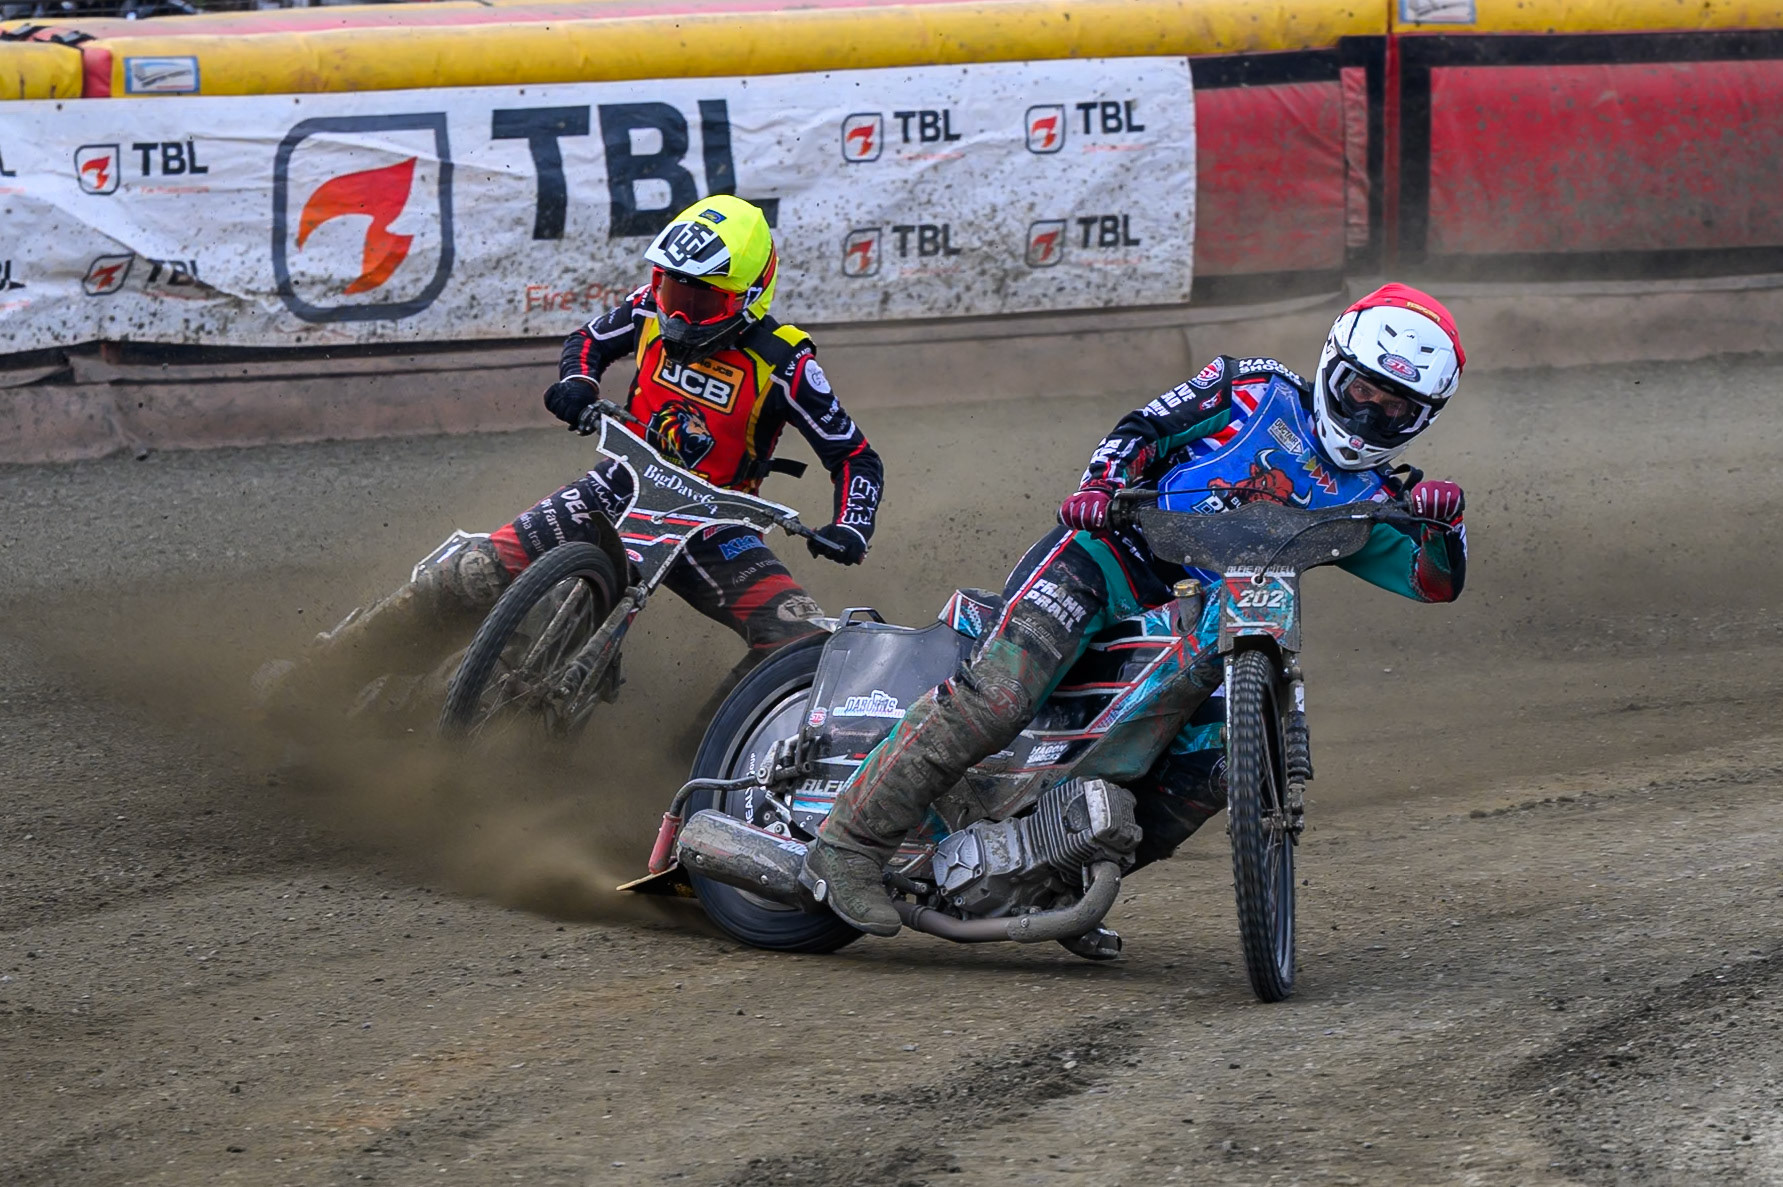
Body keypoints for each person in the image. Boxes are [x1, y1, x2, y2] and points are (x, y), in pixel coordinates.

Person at [799, 283, 1469, 939]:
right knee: (1000, 695)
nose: (1368, 415)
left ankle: (1055, 878)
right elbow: (1143, 428)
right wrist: (1101, 485)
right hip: (1105, 558)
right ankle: (848, 844)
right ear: (1332, 366)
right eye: (1361, 392)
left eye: (1393, 410)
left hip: (1215, 622)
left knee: (1211, 769)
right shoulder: (1250, 386)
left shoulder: (1377, 498)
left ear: (1422, 419)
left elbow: (1432, 582)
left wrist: (1444, 525)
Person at [268, 195, 882, 716]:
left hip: (713, 526)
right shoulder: (648, 307)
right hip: (617, 484)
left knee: (797, 639)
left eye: (702, 302)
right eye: (671, 287)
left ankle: (701, 769)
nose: (677, 313)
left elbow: (856, 458)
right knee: (468, 575)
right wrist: (578, 384)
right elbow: (587, 341)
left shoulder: (785, 365)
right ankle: (321, 679)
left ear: (750, 295)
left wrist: (850, 527)